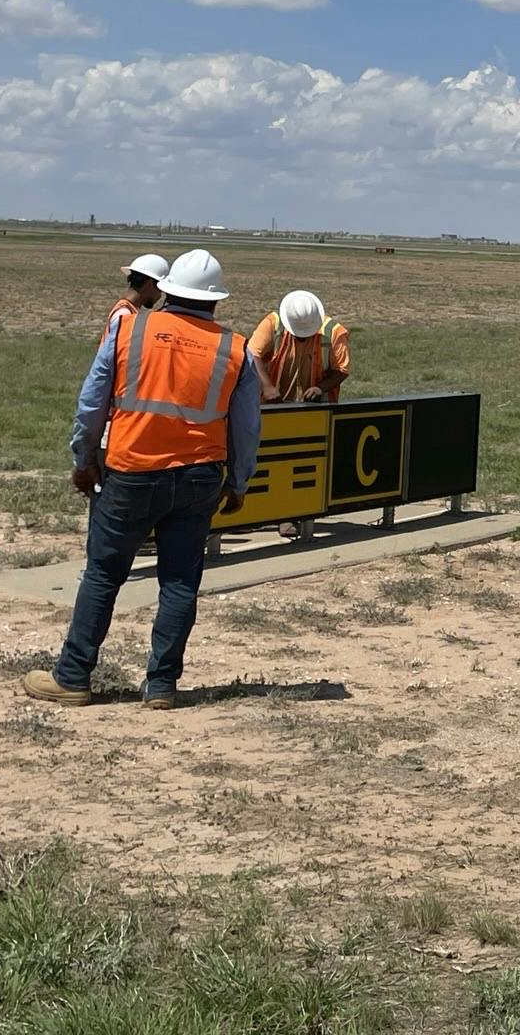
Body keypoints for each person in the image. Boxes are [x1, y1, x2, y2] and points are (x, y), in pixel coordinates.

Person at [23, 247, 261, 712]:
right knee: (178, 582)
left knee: (104, 574)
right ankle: (161, 686)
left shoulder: (129, 328)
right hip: (198, 479)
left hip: (131, 471)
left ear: (168, 290)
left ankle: (73, 677)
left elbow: (92, 402)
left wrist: (84, 458)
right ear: (215, 301)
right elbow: (247, 427)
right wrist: (239, 482)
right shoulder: (236, 348)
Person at [248, 290, 351, 405]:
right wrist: (267, 387)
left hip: (318, 409)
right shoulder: (273, 323)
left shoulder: (334, 332)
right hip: (273, 404)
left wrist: (320, 388)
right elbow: (252, 354)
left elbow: (342, 370)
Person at [101, 254, 169, 346]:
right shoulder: (125, 315)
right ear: (149, 284)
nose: (160, 296)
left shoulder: (125, 310)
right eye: (160, 289)